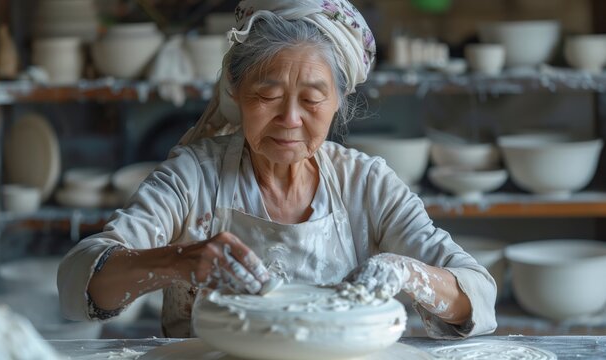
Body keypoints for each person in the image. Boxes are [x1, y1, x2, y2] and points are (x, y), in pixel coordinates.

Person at [58, 0, 497, 339]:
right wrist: (180, 261)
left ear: (340, 101)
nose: (290, 119)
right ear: (236, 91)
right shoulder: (195, 177)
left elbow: (478, 296)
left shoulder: (366, 184)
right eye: (268, 95)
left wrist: (406, 272)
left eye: (311, 99)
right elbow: (78, 281)